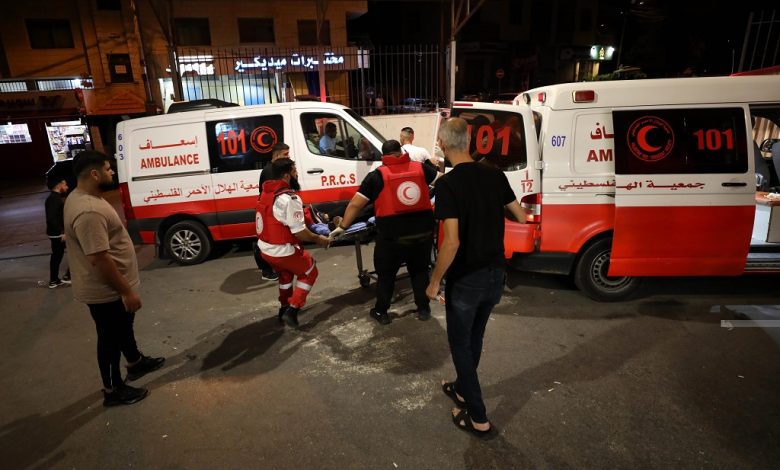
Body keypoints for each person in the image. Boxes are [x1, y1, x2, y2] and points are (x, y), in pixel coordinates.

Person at [425, 118, 527, 438]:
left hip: (467, 278)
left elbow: (451, 242)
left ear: (442, 145)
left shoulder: (447, 185)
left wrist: (434, 281)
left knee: (460, 343)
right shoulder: (495, 174)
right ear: (469, 141)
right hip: (496, 274)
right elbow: (520, 215)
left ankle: (478, 416)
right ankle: (461, 387)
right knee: (474, 337)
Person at [64, 151, 165, 407]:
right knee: (109, 339)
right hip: (106, 290)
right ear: (94, 174)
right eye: (108, 169)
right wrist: (126, 291)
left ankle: (135, 362)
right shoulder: (88, 211)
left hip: (112, 287)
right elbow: (99, 258)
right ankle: (112, 390)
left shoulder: (83, 197)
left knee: (122, 328)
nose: (112, 172)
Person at [330, 140, 438, 325]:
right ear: (401, 152)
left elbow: (355, 204)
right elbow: (443, 180)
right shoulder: (421, 168)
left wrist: (343, 226)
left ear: (383, 156)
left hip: (392, 238)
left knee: (386, 275)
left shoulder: (376, 176)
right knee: (420, 272)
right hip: (422, 235)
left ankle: (381, 312)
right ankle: (423, 309)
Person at [256, 157, 331, 328]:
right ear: (286, 175)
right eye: (294, 171)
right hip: (282, 251)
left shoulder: (265, 194)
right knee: (310, 271)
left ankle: (283, 308)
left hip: (265, 250)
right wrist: (319, 239)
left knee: (286, 275)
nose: (297, 174)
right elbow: (300, 232)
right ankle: (293, 309)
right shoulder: (289, 199)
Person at [254, 142, 296, 282]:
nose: (288, 157)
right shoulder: (270, 171)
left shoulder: (273, 169)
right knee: (267, 238)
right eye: (285, 154)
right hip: (270, 209)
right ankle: (266, 269)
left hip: (270, 208)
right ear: (277, 155)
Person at [45, 178, 71, 288]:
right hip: (57, 234)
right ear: (59, 185)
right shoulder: (54, 199)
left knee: (57, 255)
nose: (67, 187)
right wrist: (61, 232)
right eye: (65, 184)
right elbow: (51, 218)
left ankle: (54, 280)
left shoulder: (54, 197)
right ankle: (66, 277)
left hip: (55, 233)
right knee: (76, 251)